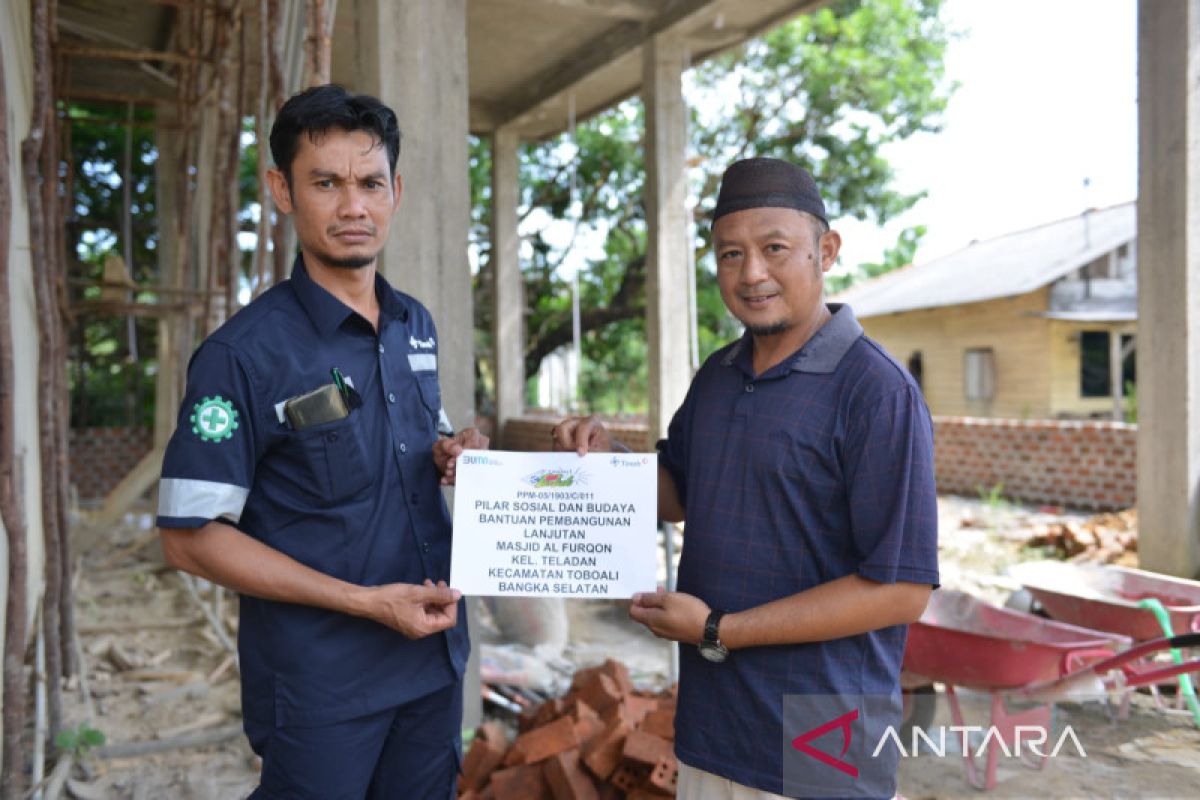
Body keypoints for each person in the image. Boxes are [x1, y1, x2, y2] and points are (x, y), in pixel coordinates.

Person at [552, 157, 939, 799]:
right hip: (714, 728)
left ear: (827, 250)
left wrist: (716, 630)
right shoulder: (719, 375)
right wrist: (608, 455)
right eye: (731, 254)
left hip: (823, 740)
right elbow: (679, 493)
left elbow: (901, 591)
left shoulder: (875, 393)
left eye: (774, 248)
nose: (751, 273)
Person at [156, 84, 486, 799]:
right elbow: (188, 537)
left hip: (433, 664)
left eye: (370, 183)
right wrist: (365, 604)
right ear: (282, 190)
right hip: (322, 688)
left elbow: (413, 439)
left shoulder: (414, 323)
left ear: (395, 189)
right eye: (325, 183)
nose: (353, 207)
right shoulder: (241, 356)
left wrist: (453, 451)